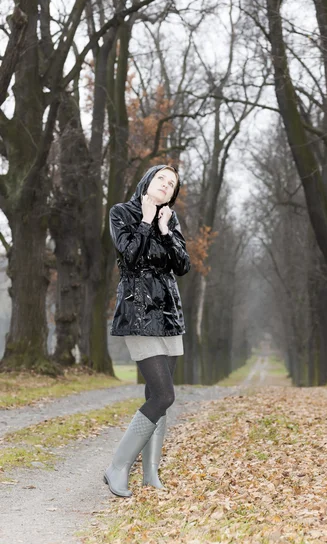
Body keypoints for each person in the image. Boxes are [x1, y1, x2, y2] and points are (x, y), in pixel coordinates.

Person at [104, 164, 191, 498]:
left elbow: (182, 266)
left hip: (169, 315)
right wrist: (145, 220)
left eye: (172, 184)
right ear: (147, 182)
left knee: (159, 398)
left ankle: (150, 474)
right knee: (164, 395)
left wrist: (166, 230)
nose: (166, 185)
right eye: (161, 179)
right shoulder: (121, 213)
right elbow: (129, 255)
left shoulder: (170, 220)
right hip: (138, 313)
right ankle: (117, 467)